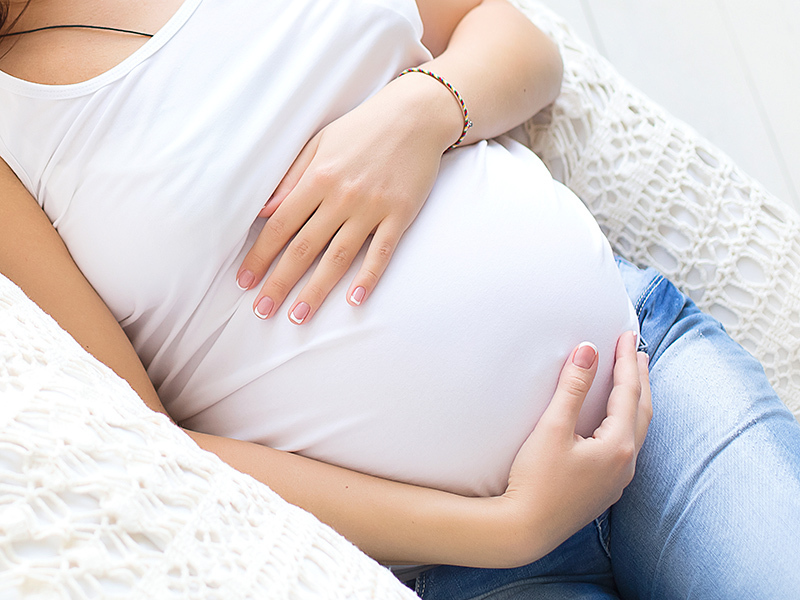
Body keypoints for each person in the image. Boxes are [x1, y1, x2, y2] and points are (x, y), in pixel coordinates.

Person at [1, 0, 799, 597]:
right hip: (463, 560)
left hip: (648, 380)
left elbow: (510, 35)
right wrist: (505, 529)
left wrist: (420, 111)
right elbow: (152, 443)